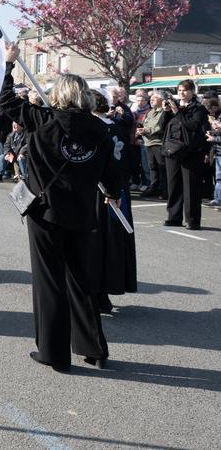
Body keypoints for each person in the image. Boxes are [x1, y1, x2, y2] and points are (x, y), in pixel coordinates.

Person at [0, 44, 122, 372]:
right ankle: (94, 348)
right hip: (82, 211)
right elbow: (112, 174)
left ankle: (53, 352)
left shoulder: (43, 120)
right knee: (81, 281)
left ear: (58, 94)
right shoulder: (100, 130)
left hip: (46, 211)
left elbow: (6, 100)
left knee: (50, 281)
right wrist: (113, 192)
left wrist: (8, 66)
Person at [87, 90, 137, 314]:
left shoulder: (95, 128)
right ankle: (104, 293)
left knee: (97, 241)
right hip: (118, 189)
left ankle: (96, 294)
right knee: (112, 242)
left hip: (99, 190)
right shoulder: (116, 126)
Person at [162, 80, 210, 230]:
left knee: (191, 188)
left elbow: (193, 126)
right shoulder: (174, 106)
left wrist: (179, 112)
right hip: (173, 151)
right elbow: (164, 126)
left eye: (185, 90)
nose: (181, 93)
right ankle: (174, 217)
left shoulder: (199, 109)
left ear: (192, 92)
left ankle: (193, 220)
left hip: (191, 152)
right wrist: (166, 111)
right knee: (173, 185)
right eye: (180, 90)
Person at [137, 90, 168, 199]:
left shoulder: (164, 111)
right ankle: (154, 187)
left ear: (162, 100)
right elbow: (146, 123)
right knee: (152, 167)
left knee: (162, 167)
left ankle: (165, 190)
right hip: (148, 143)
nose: (151, 99)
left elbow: (159, 127)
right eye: (151, 98)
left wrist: (146, 130)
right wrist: (140, 130)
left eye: (154, 98)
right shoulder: (150, 112)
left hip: (158, 143)